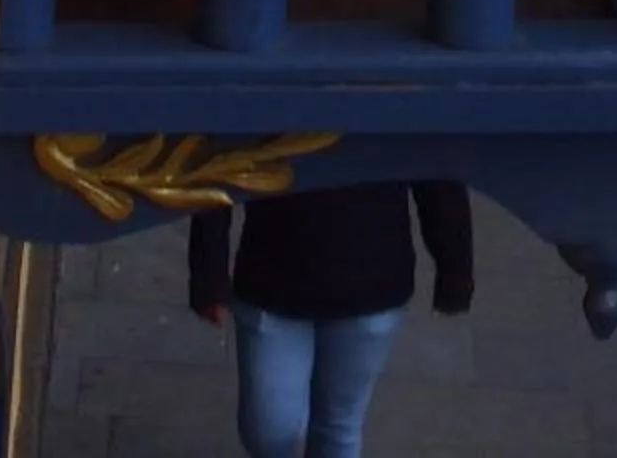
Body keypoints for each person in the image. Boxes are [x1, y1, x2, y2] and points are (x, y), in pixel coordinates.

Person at [190, 180, 473, 458]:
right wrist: (208, 274)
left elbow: (436, 171)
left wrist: (455, 272)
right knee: (269, 428)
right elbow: (217, 163)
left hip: (372, 283)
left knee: (339, 425)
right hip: (272, 281)